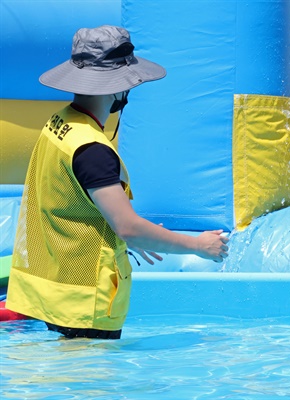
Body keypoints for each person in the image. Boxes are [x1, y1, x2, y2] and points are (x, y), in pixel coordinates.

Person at [5, 25, 229, 339]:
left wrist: (135, 233)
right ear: (118, 87)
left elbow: (74, 204)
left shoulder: (59, 123)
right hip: (85, 303)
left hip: (51, 293)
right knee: (92, 386)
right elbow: (127, 227)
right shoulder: (92, 150)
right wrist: (198, 245)